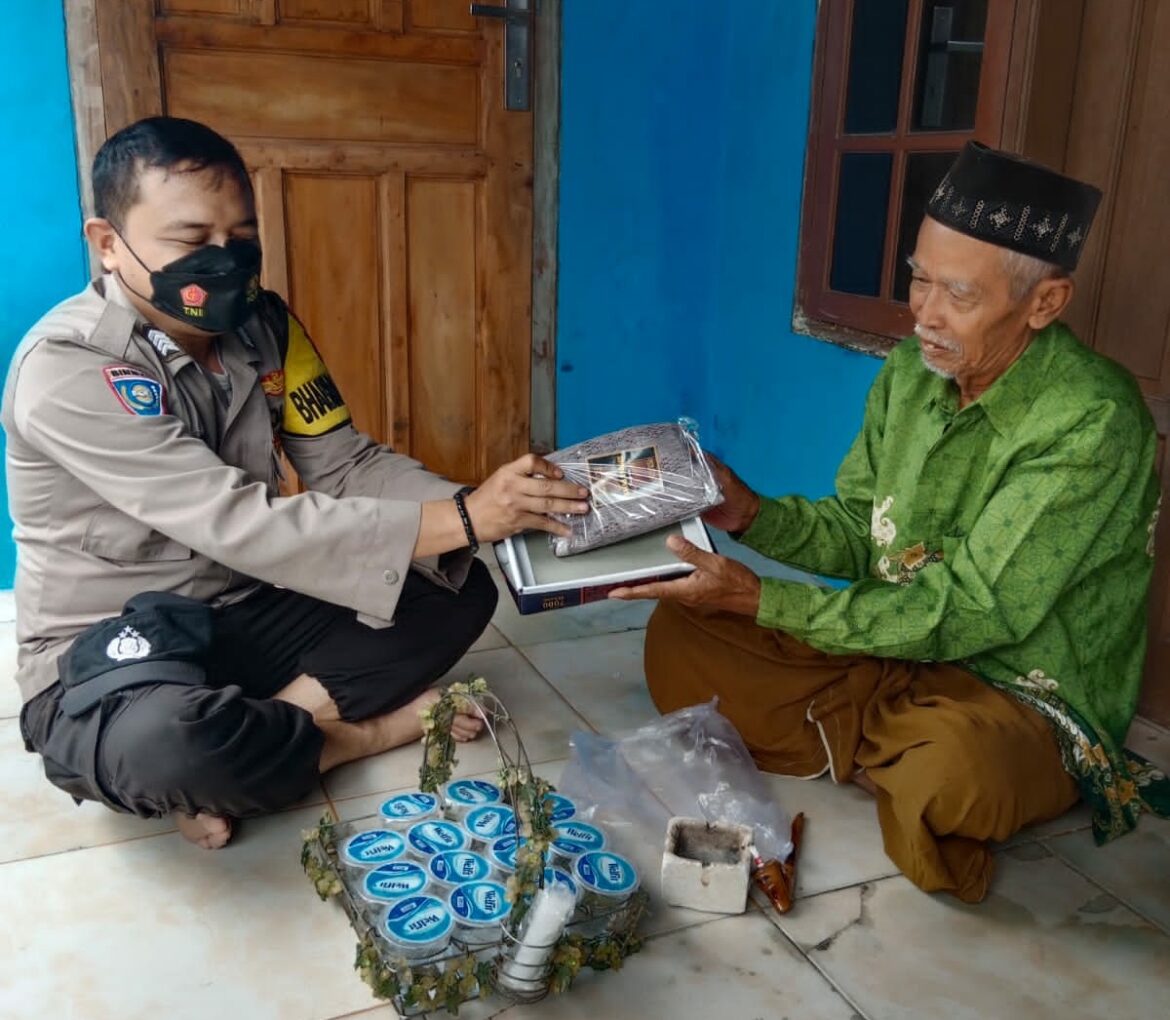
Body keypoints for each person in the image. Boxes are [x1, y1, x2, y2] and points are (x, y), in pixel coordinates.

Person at [2, 116, 590, 850]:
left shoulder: (265, 327)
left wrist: (481, 509)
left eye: (240, 237)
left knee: (457, 581)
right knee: (170, 746)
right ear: (108, 242)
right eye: (190, 241)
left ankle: (272, 739)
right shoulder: (70, 370)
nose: (224, 262)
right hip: (113, 642)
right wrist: (468, 518)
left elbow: (343, 463)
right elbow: (237, 521)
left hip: (243, 607)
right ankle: (355, 736)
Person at [611, 142, 1169, 902]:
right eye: (918, 278)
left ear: (1044, 303)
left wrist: (764, 601)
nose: (925, 315)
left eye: (959, 296)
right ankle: (878, 740)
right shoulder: (914, 371)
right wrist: (753, 515)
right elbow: (858, 527)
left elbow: (976, 609)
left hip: (1013, 687)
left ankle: (872, 737)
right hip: (893, 647)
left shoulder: (1093, 420)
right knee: (680, 637)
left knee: (956, 776)